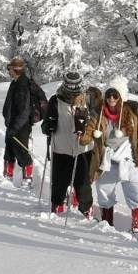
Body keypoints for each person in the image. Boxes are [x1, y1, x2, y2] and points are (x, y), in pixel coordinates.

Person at [86, 76, 138, 240]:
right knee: (104, 194)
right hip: (107, 161)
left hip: (128, 160)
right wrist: (85, 133)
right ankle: (107, 226)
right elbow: (86, 136)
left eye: (115, 95)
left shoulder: (132, 115)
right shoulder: (99, 115)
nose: (111, 99)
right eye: (108, 95)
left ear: (121, 97)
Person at [40, 70, 94, 216]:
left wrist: (87, 128)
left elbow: (96, 122)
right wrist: (49, 125)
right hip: (61, 149)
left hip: (83, 148)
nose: (72, 94)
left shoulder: (87, 100)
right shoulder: (55, 101)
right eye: (69, 90)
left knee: (83, 184)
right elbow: (45, 126)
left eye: (75, 90)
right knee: (59, 181)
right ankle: (57, 205)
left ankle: (86, 210)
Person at [1, 56, 35, 182]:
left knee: (21, 151)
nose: (8, 71)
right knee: (9, 150)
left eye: (9, 68)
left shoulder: (22, 85)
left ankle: (28, 178)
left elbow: (24, 111)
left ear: (15, 70)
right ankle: (8, 175)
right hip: (13, 124)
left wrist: (15, 127)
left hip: (21, 125)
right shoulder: (15, 83)